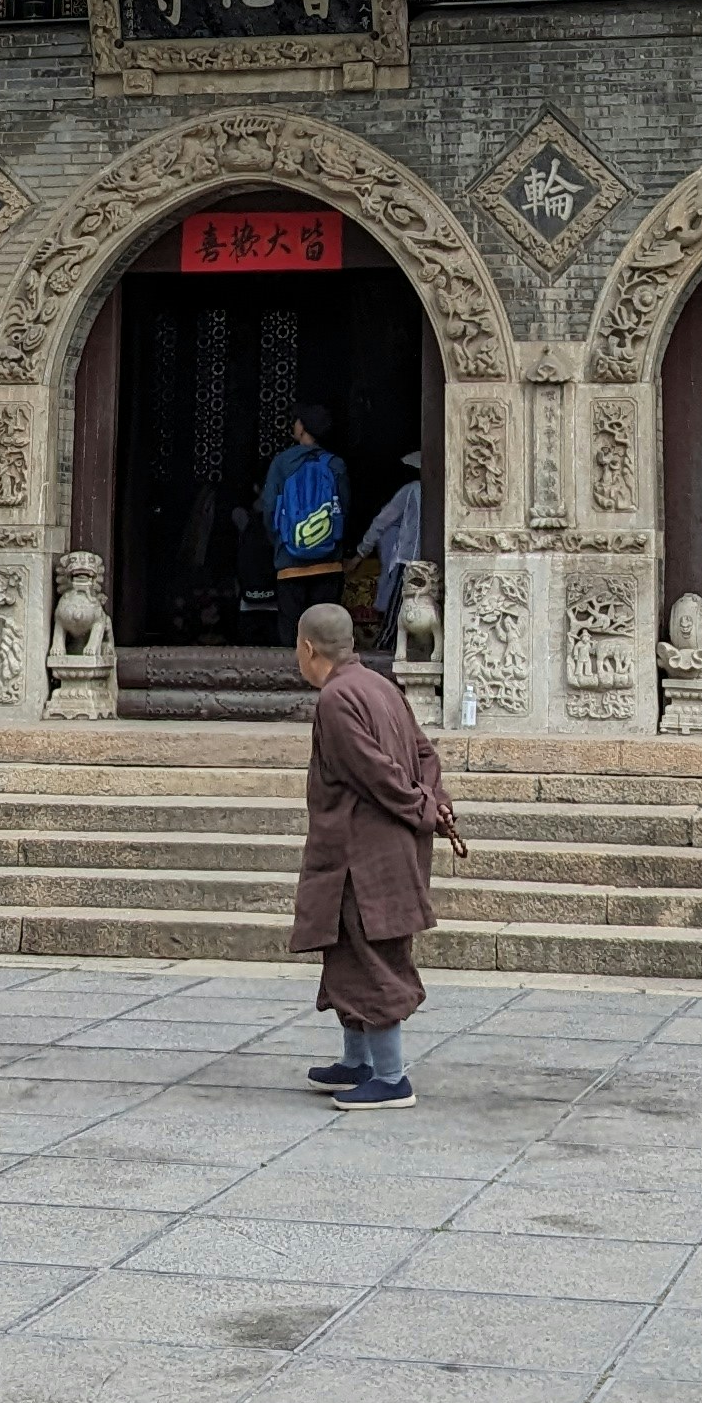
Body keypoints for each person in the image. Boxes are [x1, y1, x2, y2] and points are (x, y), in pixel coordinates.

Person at [288, 600, 459, 1109]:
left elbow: (374, 771)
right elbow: (425, 754)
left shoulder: (337, 697)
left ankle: (390, 1077)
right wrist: (433, 800)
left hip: (361, 856)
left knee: (370, 956)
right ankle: (356, 1062)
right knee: (347, 952)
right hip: (383, 849)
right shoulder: (381, 686)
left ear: (308, 648)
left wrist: (421, 807)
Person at [261, 402, 350, 606]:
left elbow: (269, 511)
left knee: (293, 625)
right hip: (328, 564)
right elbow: (344, 511)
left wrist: (282, 543)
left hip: (290, 565)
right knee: (324, 624)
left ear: (302, 427)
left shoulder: (282, 463)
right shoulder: (336, 464)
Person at [353, 448, 425, 649]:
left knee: (395, 617)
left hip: (408, 562)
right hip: (432, 564)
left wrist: (360, 554)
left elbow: (381, 522)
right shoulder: (441, 492)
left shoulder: (411, 490)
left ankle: (385, 649)